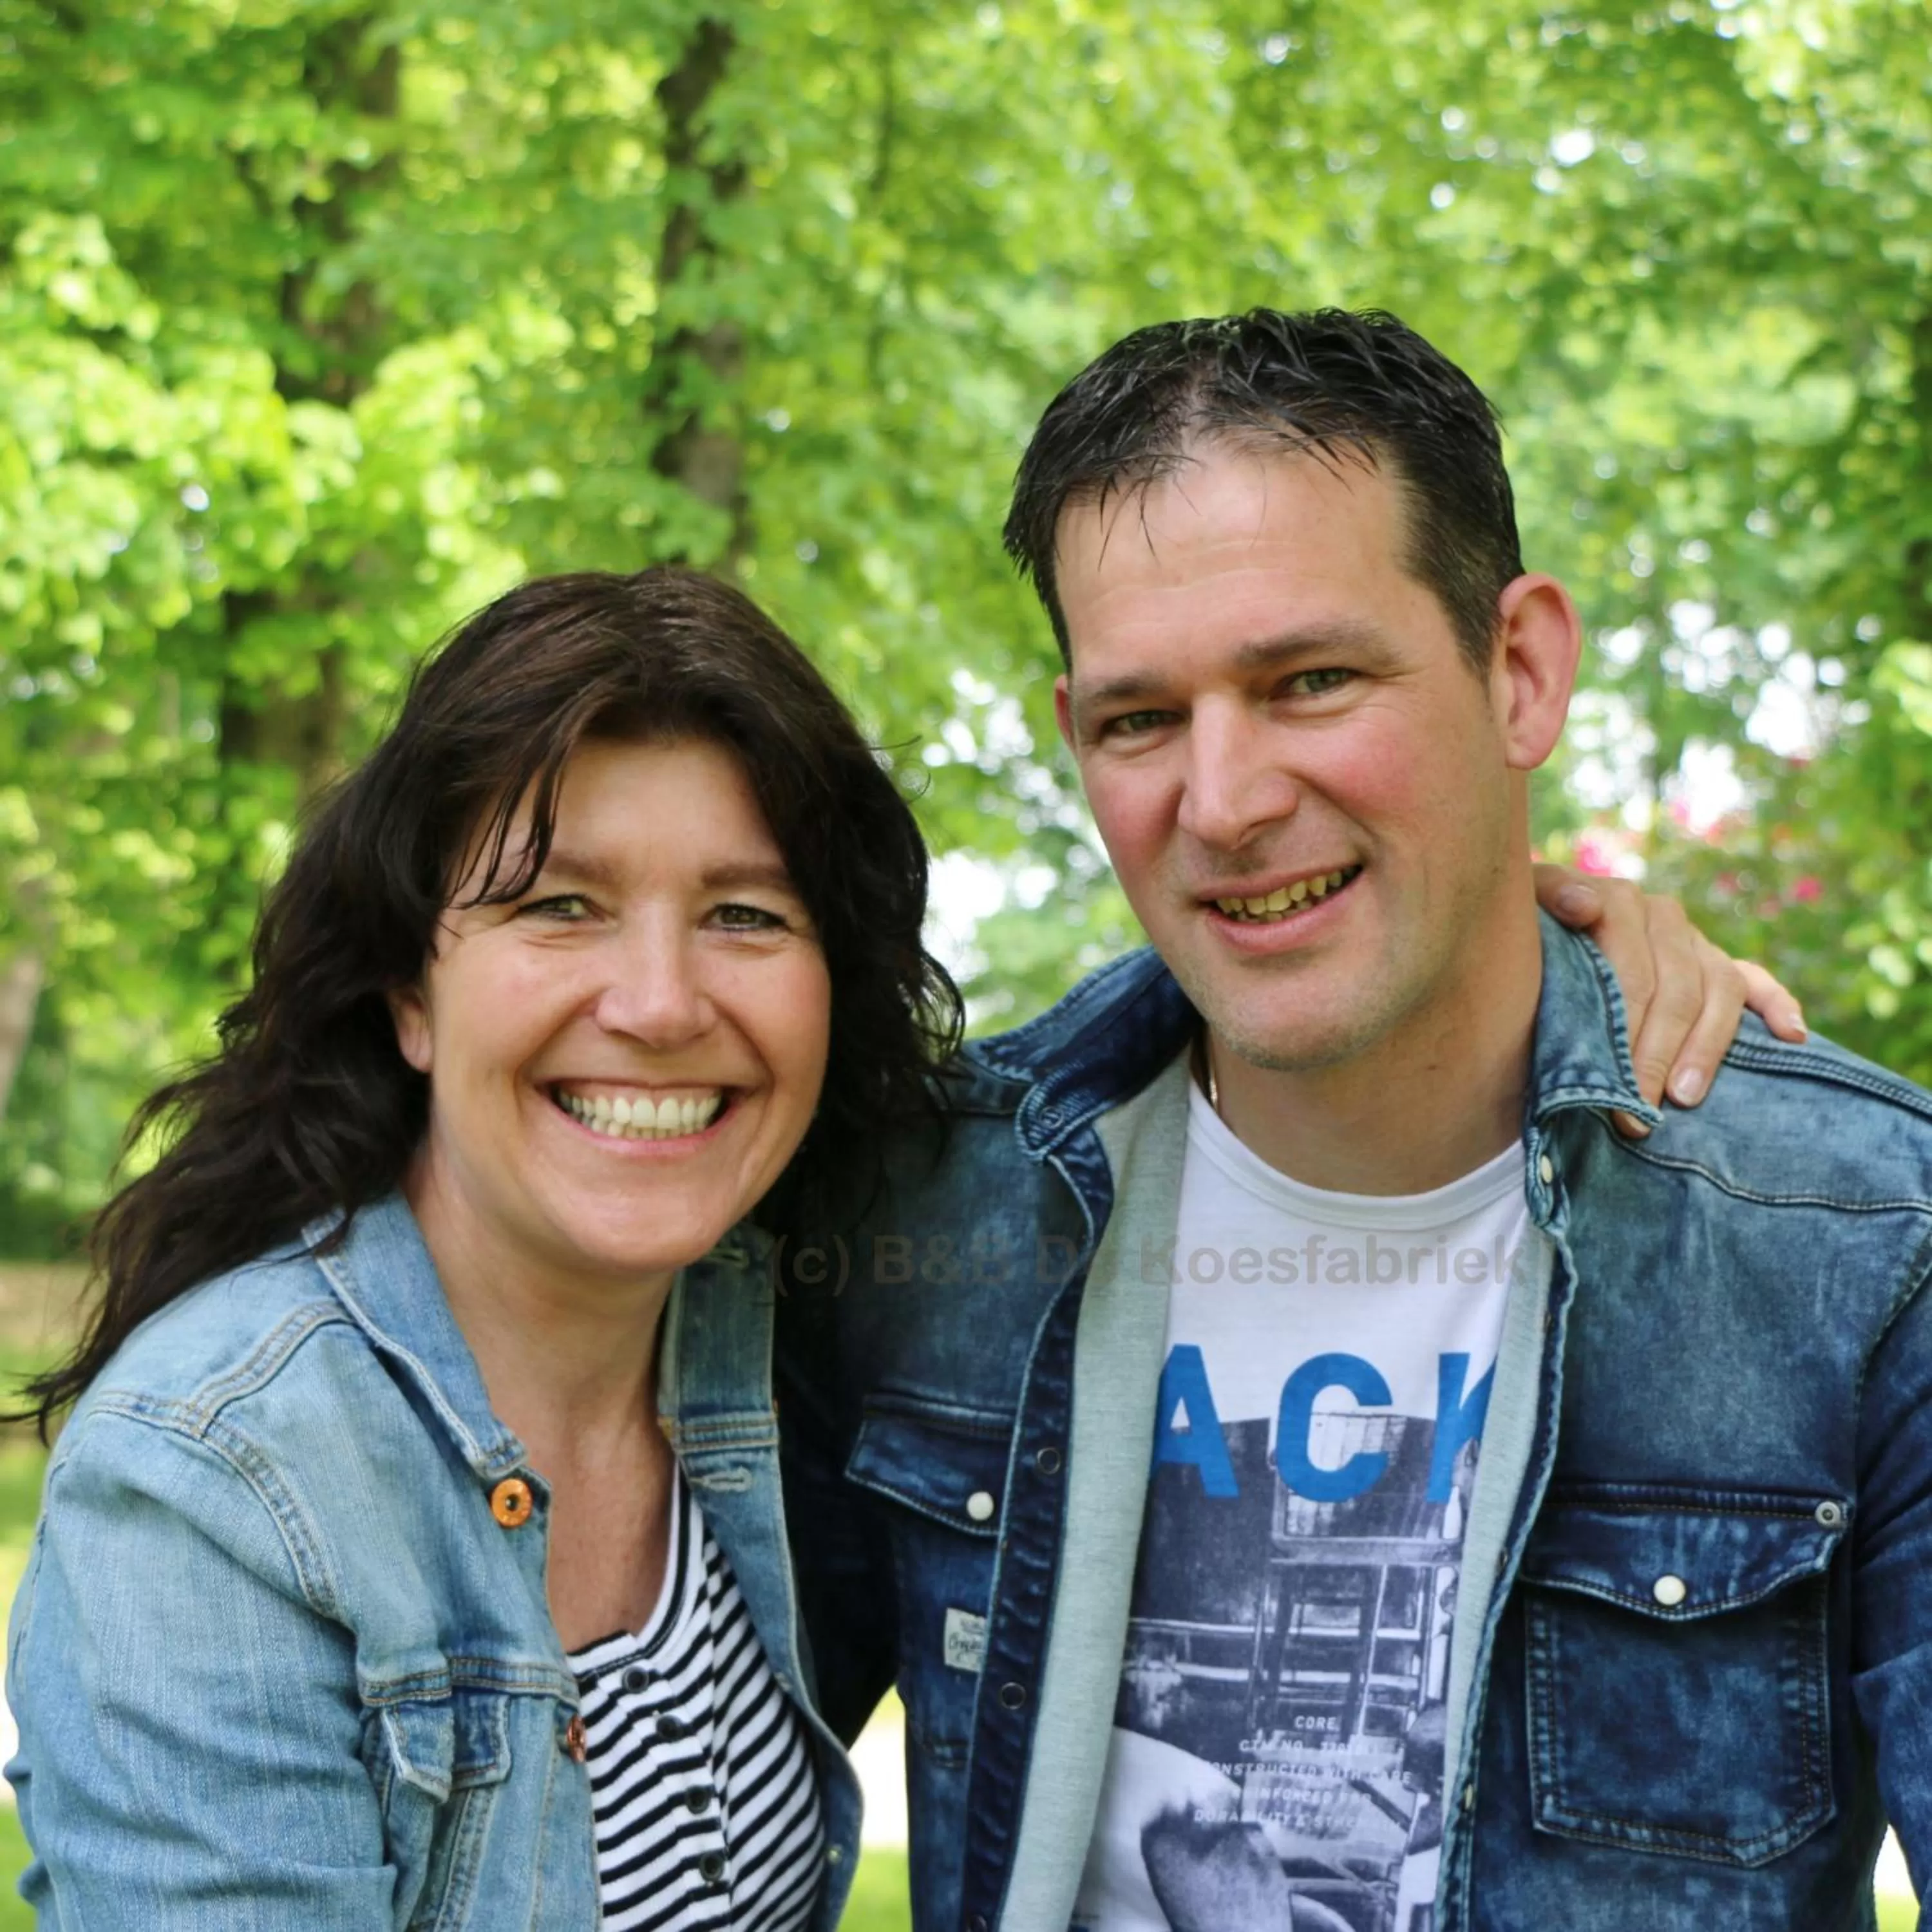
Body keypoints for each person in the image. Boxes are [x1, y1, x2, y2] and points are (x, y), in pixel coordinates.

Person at [775, 308, 1928, 1932]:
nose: (1226, 802)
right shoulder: (925, 1223)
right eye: (1140, 720)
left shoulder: (1860, 1250)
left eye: (1310, 681)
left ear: (1519, 671)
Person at [5, 568, 965, 1929]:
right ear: (411, 993)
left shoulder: (780, 1346)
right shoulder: (209, 1490)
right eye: (560, 905)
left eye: (746, 914)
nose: (660, 1005)